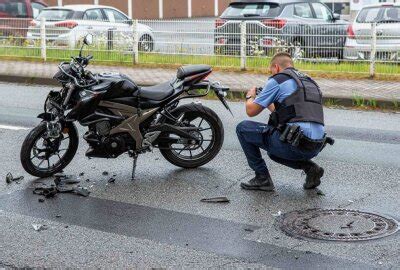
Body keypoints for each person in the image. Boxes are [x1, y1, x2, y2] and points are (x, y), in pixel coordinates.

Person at [236, 52, 333, 192]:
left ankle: (262, 178)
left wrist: (250, 96)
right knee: (273, 152)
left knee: (243, 128)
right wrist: (268, 101)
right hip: (316, 145)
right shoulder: (310, 82)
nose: (271, 74)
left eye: (271, 70)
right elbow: (288, 112)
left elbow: (251, 111)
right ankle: (311, 169)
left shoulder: (277, 80)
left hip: (295, 144)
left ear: (276, 67)